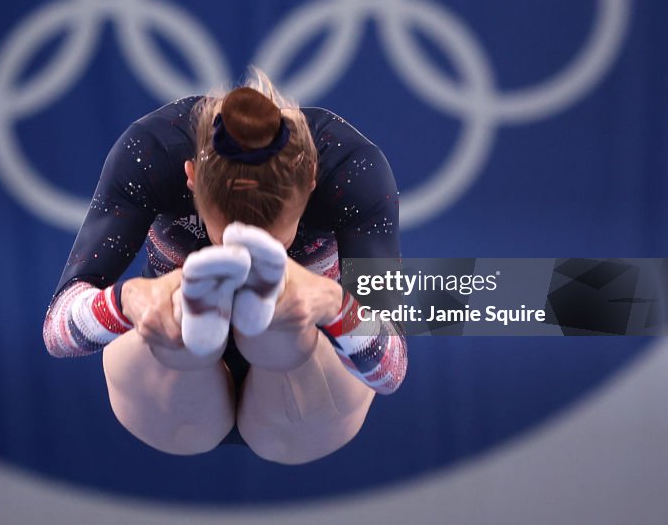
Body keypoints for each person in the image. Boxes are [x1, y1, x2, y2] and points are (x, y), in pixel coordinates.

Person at [43, 71, 407, 464]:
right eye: (226, 236)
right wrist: (127, 301)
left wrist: (332, 303)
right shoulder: (151, 151)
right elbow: (57, 329)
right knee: (171, 331)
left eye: (271, 240)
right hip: (173, 390)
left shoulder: (351, 169)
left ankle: (273, 317)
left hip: (298, 391)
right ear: (191, 177)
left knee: (290, 337)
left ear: (313, 180)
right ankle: (192, 321)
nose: (243, 251)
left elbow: (392, 366)